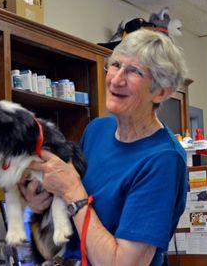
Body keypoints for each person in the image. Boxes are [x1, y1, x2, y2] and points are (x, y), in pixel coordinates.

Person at [19, 29, 188, 266]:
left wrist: (71, 191)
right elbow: (66, 213)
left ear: (161, 91)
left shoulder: (163, 159)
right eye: (116, 65)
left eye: (134, 71)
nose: (117, 79)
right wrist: (40, 199)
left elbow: (123, 264)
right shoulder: (97, 131)